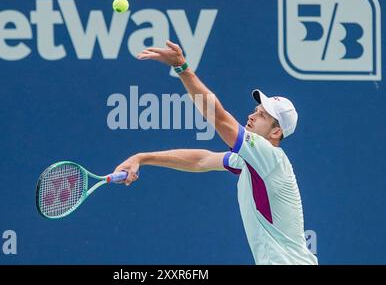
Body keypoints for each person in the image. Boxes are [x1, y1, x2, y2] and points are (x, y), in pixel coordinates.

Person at [114, 40, 318, 265]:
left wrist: (182, 68)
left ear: (276, 131)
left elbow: (218, 117)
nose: (251, 116)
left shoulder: (270, 157)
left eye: (262, 116)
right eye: (255, 110)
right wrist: (142, 158)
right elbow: (201, 160)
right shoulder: (250, 162)